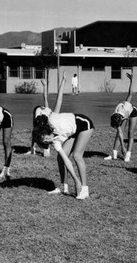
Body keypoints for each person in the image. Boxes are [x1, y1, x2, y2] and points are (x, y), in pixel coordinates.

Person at [32, 72, 94, 200]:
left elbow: (59, 100)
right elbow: (66, 160)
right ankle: (64, 187)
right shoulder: (55, 142)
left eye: (47, 138)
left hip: (83, 124)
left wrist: (63, 81)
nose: (49, 140)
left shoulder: (52, 119)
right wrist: (74, 179)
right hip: (72, 132)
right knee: (61, 158)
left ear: (46, 131)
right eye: (46, 142)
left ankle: (84, 189)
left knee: (77, 156)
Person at [27, 73, 67, 157]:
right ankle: (33, 149)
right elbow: (48, 98)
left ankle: (37, 148)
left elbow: (57, 99)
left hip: (42, 118)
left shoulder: (51, 117)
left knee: (46, 155)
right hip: (40, 117)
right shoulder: (46, 118)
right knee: (36, 132)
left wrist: (63, 81)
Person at [104, 72, 137, 162]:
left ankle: (128, 154)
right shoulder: (114, 114)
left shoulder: (126, 107)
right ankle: (114, 155)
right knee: (119, 133)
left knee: (130, 133)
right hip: (122, 114)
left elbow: (130, 94)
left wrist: (132, 81)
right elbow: (120, 132)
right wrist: (123, 146)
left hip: (133, 112)